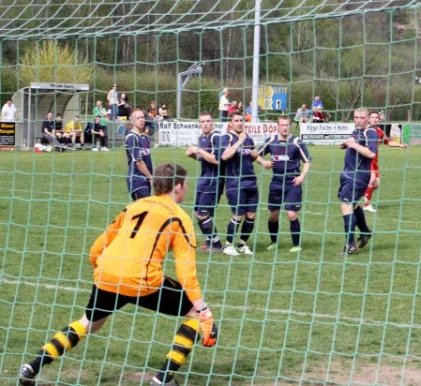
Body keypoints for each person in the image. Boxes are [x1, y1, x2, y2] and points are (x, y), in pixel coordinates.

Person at [18, 163, 218, 386]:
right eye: (186, 184)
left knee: (89, 323)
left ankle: (31, 367)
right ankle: (164, 378)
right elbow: (186, 272)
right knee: (194, 313)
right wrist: (204, 310)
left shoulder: (133, 206)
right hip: (142, 281)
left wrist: (103, 271)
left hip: (108, 273)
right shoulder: (179, 217)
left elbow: (96, 248)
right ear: (179, 187)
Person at [255, 116, 312, 252]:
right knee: (273, 215)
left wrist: (302, 176)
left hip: (292, 182)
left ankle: (296, 245)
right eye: (282, 125)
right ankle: (274, 242)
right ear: (278, 126)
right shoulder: (271, 140)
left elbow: (307, 161)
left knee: (291, 214)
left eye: (287, 125)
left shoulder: (297, 142)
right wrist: (264, 162)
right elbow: (256, 155)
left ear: (290, 126)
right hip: (276, 183)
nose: (285, 128)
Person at [220, 112, 262, 256]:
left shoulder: (248, 138)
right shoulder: (226, 138)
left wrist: (258, 157)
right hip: (235, 182)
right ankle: (228, 245)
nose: (239, 123)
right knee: (238, 214)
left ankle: (242, 244)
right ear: (230, 123)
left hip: (251, 181)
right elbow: (224, 156)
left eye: (241, 120)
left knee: (251, 215)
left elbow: (252, 155)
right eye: (236, 120)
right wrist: (239, 141)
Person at [337, 108, 378, 255]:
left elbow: (372, 153)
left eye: (362, 117)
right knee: (353, 206)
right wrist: (346, 144)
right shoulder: (357, 131)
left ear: (367, 118)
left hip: (357, 177)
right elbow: (355, 145)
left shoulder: (370, 132)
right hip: (348, 174)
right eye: (356, 117)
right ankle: (365, 232)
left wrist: (354, 145)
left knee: (346, 207)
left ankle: (350, 244)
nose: (358, 120)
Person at [186, 112, 224, 253]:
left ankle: (217, 244)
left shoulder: (216, 137)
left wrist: (199, 150)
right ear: (199, 124)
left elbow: (217, 160)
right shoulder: (202, 137)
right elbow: (203, 158)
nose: (205, 124)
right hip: (204, 179)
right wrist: (193, 155)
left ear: (212, 122)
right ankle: (209, 242)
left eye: (208, 121)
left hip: (213, 180)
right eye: (202, 122)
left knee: (203, 213)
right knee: (198, 212)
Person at [363, 111, 406, 213]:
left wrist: (400, 145)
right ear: (368, 119)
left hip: (375, 161)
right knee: (372, 179)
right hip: (366, 160)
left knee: (375, 185)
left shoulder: (380, 132)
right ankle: (366, 205)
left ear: (379, 119)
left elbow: (388, 142)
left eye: (376, 117)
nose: (374, 119)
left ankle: (362, 193)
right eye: (372, 117)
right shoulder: (365, 131)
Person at [125, 110, 153, 200]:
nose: (141, 120)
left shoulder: (145, 137)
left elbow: (148, 159)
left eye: (143, 117)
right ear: (133, 120)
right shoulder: (131, 137)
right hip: (137, 180)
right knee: (144, 210)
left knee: (144, 211)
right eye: (138, 118)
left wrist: (154, 176)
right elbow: (139, 162)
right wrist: (151, 177)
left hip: (146, 179)